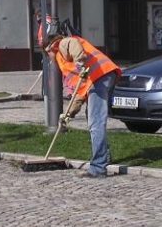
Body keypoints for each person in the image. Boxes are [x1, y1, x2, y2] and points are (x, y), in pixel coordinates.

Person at [40, 18, 121, 178]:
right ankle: (104, 157)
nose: (49, 58)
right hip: (102, 76)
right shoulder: (63, 59)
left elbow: (72, 45)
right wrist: (68, 114)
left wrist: (80, 62)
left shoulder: (60, 46)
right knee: (92, 118)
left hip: (99, 76)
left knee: (95, 121)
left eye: (47, 55)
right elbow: (79, 92)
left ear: (48, 49)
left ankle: (98, 167)